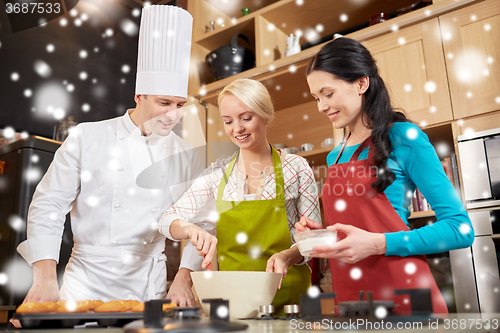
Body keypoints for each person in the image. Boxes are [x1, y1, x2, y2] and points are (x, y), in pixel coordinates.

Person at [17, 5, 215, 305]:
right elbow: (49, 205)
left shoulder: (185, 154)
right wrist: (44, 278)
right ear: (139, 97)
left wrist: (184, 278)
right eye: (164, 103)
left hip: (148, 286)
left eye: (179, 105)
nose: (173, 115)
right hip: (85, 284)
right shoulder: (87, 136)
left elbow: (203, 223)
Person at [296, 37, 474, 314]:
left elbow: (460, 229)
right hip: (355, 302)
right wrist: (319, 235)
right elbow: (353, 231)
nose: (321, 106)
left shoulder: (404, 138)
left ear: (361, 83)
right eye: (316, 98)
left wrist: (378, 244)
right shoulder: (336, 156)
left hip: (405, 298)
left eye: (328, 94)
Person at [159, 79, 321, 314]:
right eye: (228, 121)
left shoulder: (296, 167)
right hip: (234, 303)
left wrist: (288, 255)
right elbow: (167, 219)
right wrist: (190, 230)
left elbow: (314, 240)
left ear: (266, 116)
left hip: (289, 299)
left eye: (246, 118)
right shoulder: (217, 174)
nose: (237, 129)